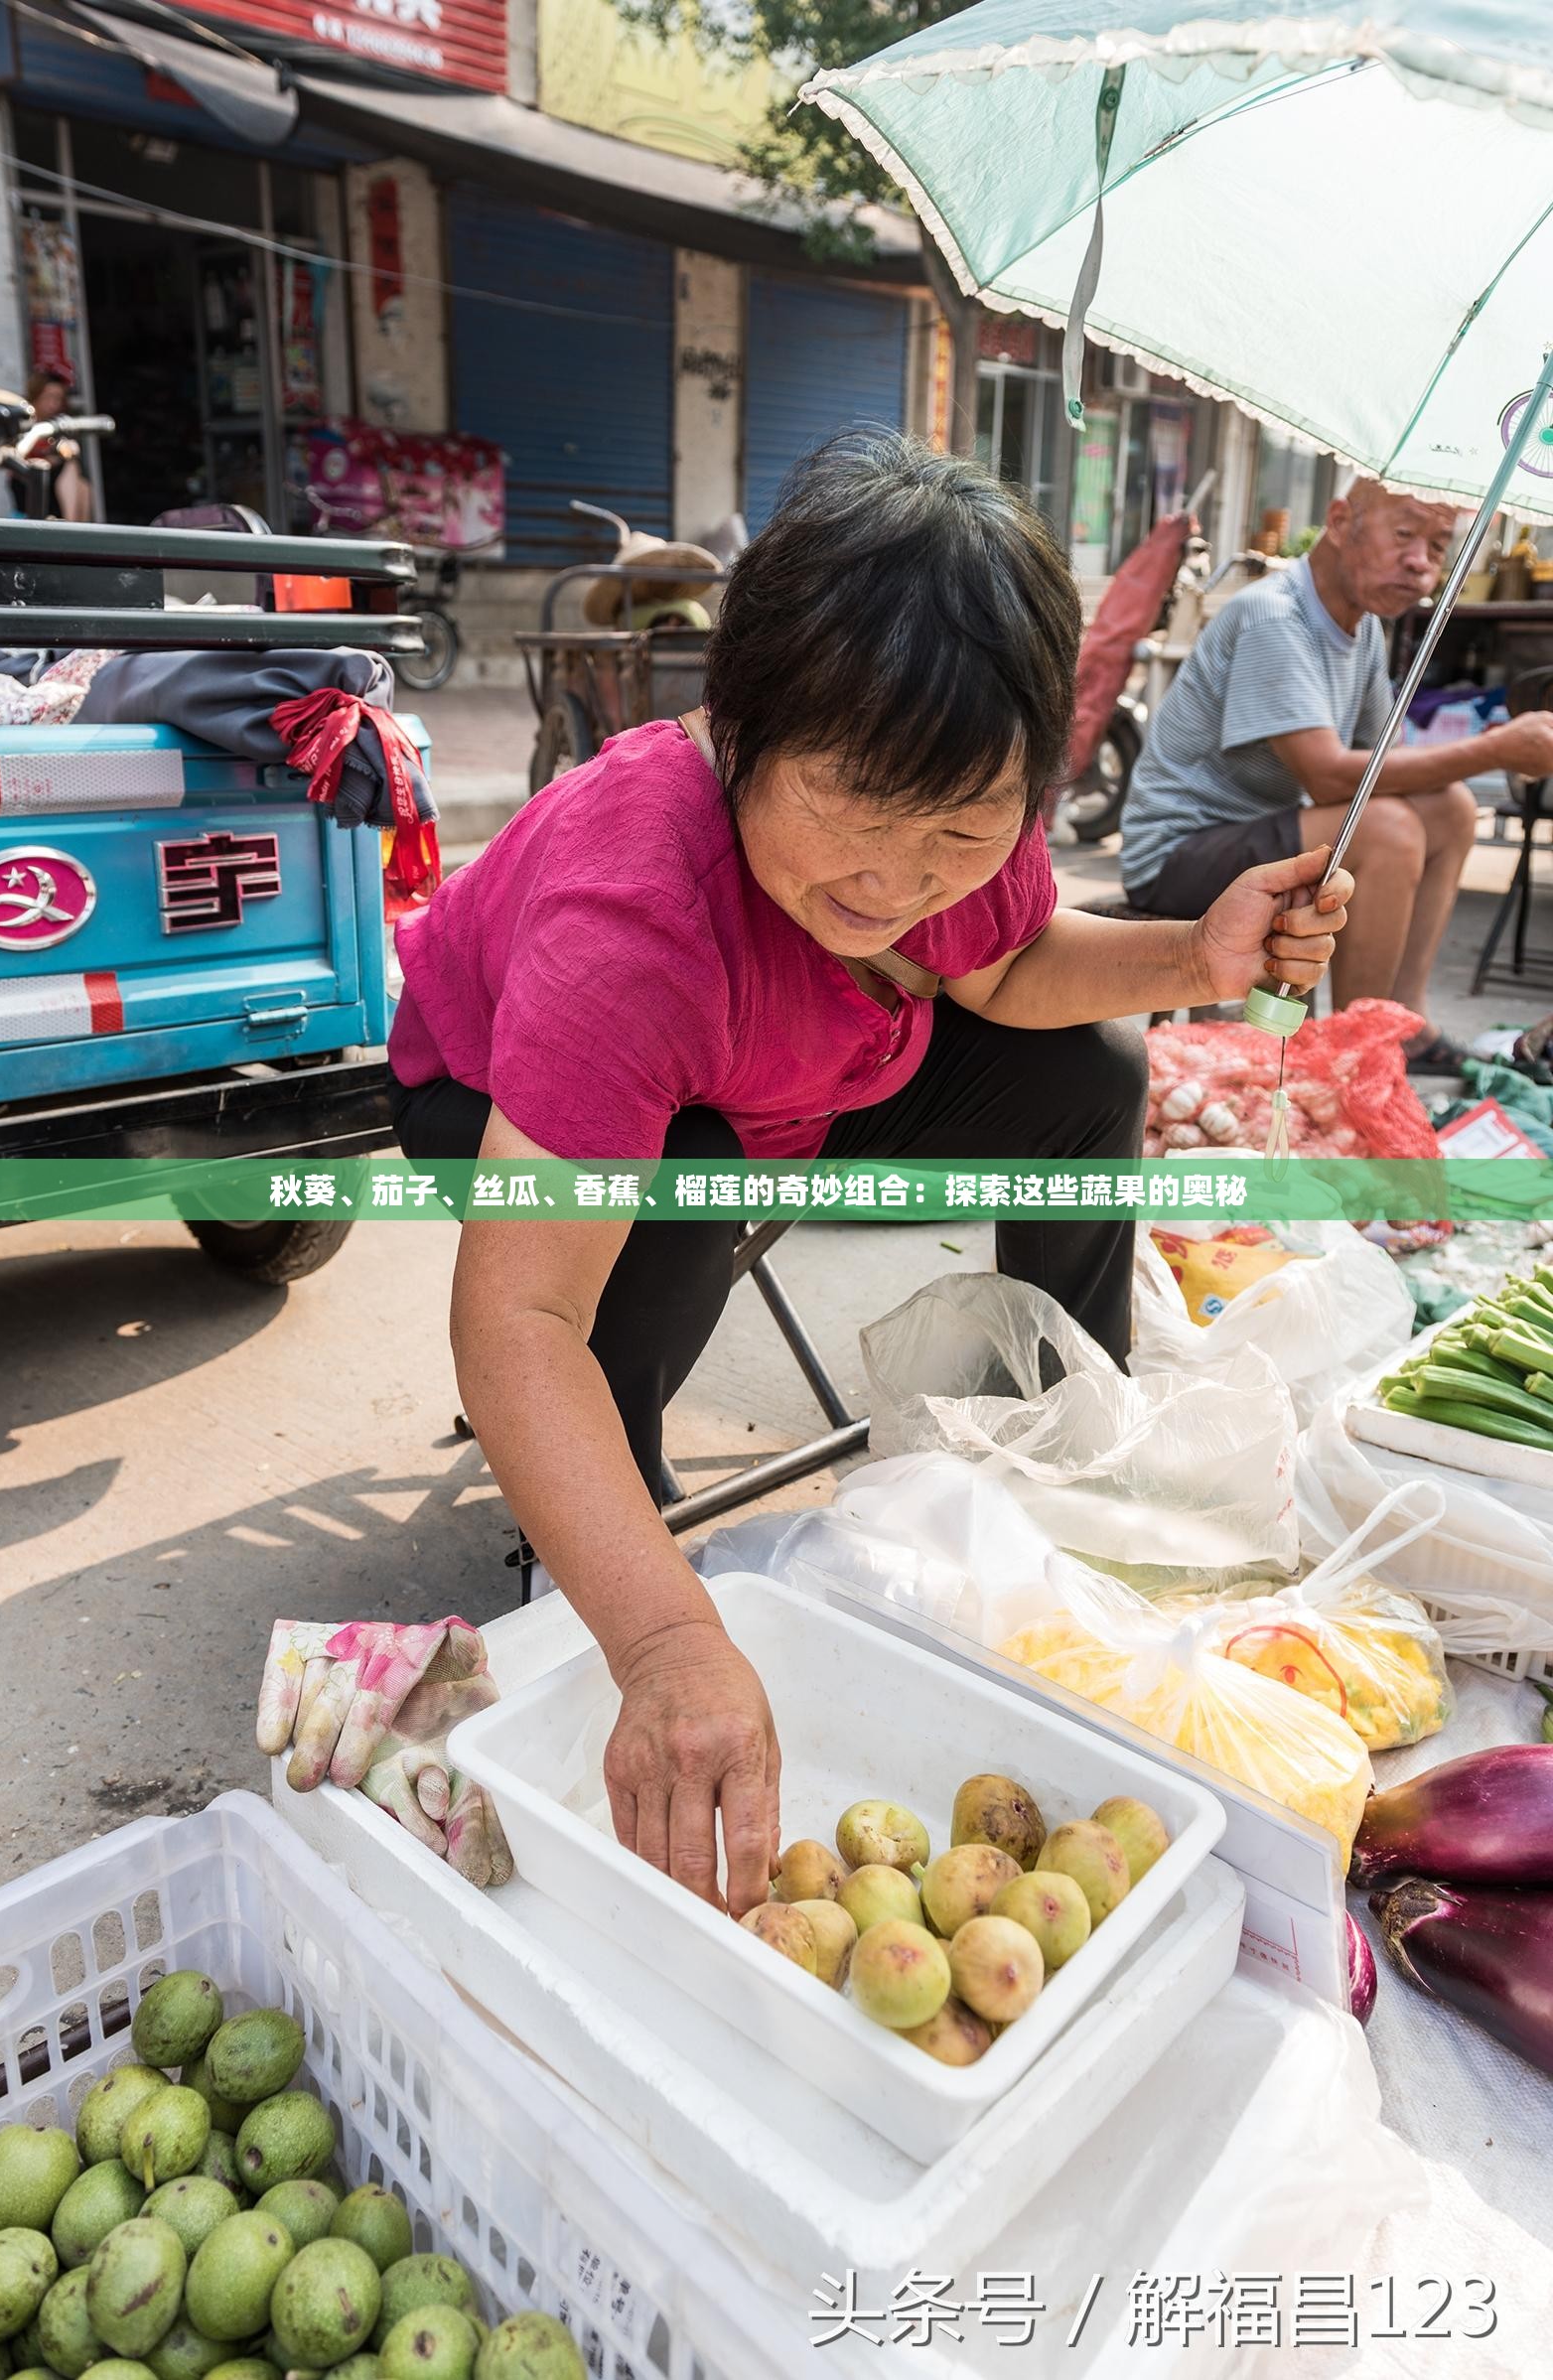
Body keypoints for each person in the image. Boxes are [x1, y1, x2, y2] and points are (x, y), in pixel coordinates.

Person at [386, 435, 1351, 1918]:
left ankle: (1059, 1438)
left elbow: (1012, 961)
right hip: (501, 1092)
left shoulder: (966, 836)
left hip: (808, 1068)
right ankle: (598, 1543)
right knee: (681, 1179)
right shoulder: (635, 920)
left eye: (962, 831)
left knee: (1089, 1067)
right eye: (849, 808)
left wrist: (1195, 956)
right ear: (739, 722)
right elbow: (516, 1322)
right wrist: (665, 1644)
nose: (897, 884)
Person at [1118, 480, 1553, 1069]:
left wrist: (1488, 753)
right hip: (1179, 854)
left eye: (1438, 545)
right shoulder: (1274, 616)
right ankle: (1355, 1053)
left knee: (1447, 808)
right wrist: (1494, 749)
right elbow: (1328, 777)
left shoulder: (1363, 627)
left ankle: (1404, 1020)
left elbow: (1387, 759)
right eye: (1404, 534)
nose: (1421, 563)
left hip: (1266, 838)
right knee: (1388, 828)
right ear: (1342, 519)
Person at [14, 368, 92, 522]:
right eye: (49, 397)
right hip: (27, 488)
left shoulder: (56, 427)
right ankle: (70, 528)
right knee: (70, 469)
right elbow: (15, 460)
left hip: (53, 493)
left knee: (84, 486)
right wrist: (51, 459)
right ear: (35, 396)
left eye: (59, 399)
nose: (54, 404)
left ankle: (78, 533)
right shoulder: (22, 424)